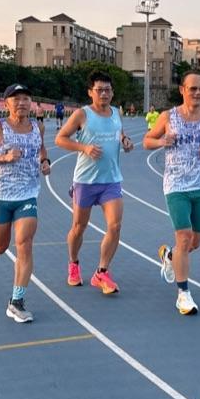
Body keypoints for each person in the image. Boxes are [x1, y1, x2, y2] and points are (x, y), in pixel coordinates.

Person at [143, 72, 200, 316]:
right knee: (184, 238)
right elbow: (147, 141)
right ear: (182, 90)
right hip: (176, 186)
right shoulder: (168, 117)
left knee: (194, 242)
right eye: (193, 88)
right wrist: (162, 142)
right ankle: (183, 294)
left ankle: (169, 256)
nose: (198, 93)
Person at [0, 83, 50, 323]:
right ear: (6, 104)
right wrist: (4, 157)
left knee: (24, 243)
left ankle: (16, 302)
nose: (22, 103)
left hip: (27, 194)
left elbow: (41, 148)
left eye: (26, 98)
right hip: (0, 196)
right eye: (16, 99)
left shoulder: (38, 127)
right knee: (1, 245)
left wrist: (45, 161)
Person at [55, 70, 133, 294]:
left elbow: (119, 133)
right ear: (91, 92)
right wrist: (84, 148)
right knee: (79, 227)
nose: (104, 94)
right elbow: (60, 139)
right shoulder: (82, 114)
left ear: (112, 92)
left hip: (111, 180)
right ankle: (73, 263)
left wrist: (125, 141)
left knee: (115, 226)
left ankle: (102, 272)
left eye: (108, 90)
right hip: (86, 181)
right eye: (99, 90)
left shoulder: (116, 113)